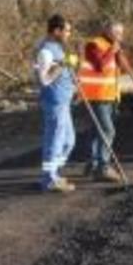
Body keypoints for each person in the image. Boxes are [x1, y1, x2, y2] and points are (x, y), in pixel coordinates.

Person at [78, 20, 128, 182]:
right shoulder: (93, 45)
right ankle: (103, 167)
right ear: (107, 31)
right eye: (117, 33)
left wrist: (119, 53)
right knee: (108, 130)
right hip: (96, 96)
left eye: (121, 33)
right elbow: (99, 65)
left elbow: (126, 68)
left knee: (96, 131)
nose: (120, 36)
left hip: (111, 96)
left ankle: (92, 164)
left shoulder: (114, 47)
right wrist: (112, 51)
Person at [33, 14, 78, 193]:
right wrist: (63, 65)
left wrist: (74, 81)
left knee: (69, 141)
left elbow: (64, 71)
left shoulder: (59, 48)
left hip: (64, 100)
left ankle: (54, 173)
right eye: (66, 31)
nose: (69, 34)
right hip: (54, 101)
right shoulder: (45, 51)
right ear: (56, 30)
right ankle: (49, 178)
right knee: (54, 141)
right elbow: (44, 80)